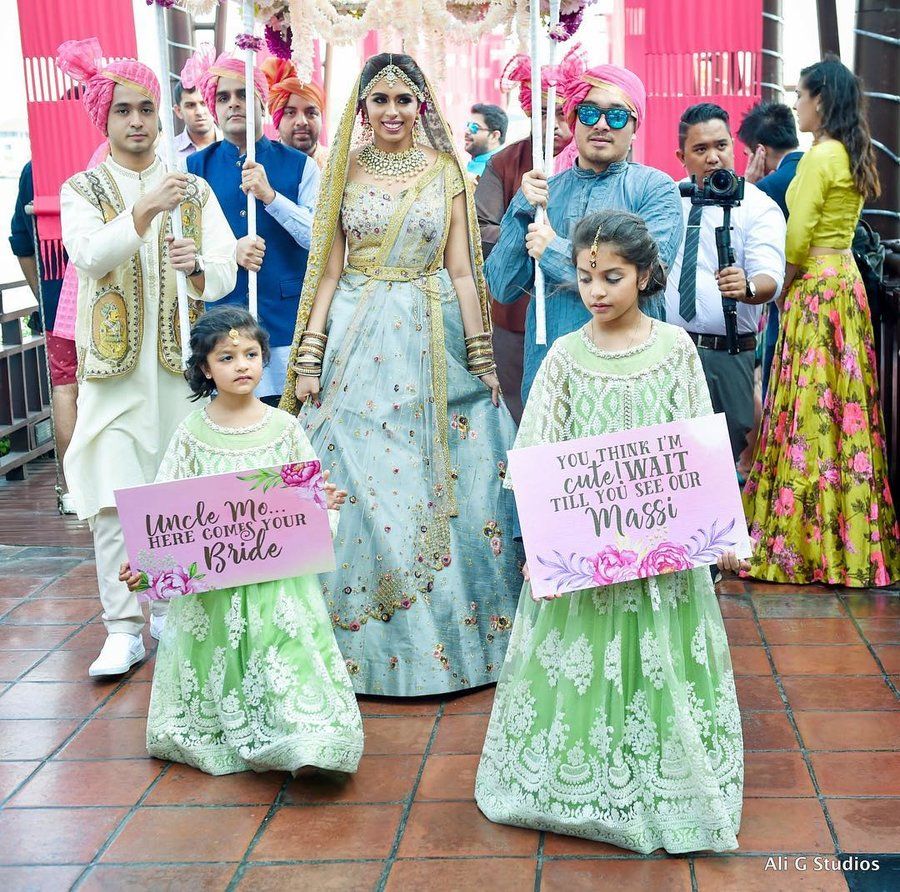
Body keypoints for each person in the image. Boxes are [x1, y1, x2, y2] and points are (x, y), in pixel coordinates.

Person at [474, 210, 743, 854]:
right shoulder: (565, 356)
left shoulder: (676, 349)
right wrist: (542, 548)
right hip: (587, 551)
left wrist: (719, 528)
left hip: (662, 548)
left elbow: (695, 445)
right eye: (588, 276)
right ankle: (584, 775)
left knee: (657, 655)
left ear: (646, 275)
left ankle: (663, 774)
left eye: (612, 277)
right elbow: (537, 455)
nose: (596, 290)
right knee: (587, 657)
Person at [280, 53, 521, 696]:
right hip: (357, 334)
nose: (392, 111)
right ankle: (332, 647)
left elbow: (465, 271)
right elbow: (327, 274)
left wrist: (480, 355)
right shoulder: (345, 170)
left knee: (445, 475)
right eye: (379, 99)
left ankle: (456, 643)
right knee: (352, 478)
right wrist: (309, 358)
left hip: (430, 330)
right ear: (363, 108)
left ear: (423, 107)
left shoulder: (446, 173)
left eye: (404, 99)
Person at [56, 37, 237, 677]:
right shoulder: (82, 188)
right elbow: (88, 255)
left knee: (174, 494)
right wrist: (141, 212)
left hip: (174, 374)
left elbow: (222, 270)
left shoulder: (191, 190)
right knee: (111, 500)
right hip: (112, 376)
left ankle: (169, 612)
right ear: (103, 120)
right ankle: (122, 627)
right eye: (124, 111)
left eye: (146, 110)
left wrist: (199, 271)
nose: (137, 122)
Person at [119, 307, 364, 776]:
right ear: (205, 368)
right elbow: (166, 507)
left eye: (251, 354)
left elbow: (309, 498)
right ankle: (225, 730)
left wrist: (322, 501)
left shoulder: (285, 427)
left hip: (278, 583)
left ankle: (303, 738)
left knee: (283, 653)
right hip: (214, 586)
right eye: (227, 357)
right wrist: (145, 562)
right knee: (224, 658)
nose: (242, 365)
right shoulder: (192, 434)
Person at [742, 57, 900, 587]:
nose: (796, 106)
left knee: (808, 408)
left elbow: (796, 236)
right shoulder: (852, 153)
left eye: (802, 96)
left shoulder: (818, 157)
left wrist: (779, 289)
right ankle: (848, 539)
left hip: (815, 287)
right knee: (845, 405)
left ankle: (801, 540)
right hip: (846, 283)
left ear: (822, 102)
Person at [486, 64, 683, 405]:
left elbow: (647, 278)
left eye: (618, 116)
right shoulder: (546, 195)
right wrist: (521, 205)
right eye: (589, 112)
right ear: (574, 120)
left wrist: (553, 251)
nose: (602, 124)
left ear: (635, 127)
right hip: (552, 379)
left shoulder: (655, 189)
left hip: (629, 379)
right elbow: (502, 286)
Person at [188, 52, 321, 407]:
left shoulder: (300, 166)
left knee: (287, 422)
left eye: (243, 94)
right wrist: (230, 254)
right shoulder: (193, 168)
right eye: (223, 97)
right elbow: (183, 249)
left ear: (262, 101)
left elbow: (318, 239)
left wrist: (271, 196)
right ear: (213, 107)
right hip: (221, 323)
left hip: (285, 325)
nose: (233, 104)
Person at [665, 103, 785, 466]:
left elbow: (771, 277)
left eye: (720, 146)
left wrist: (748, 287)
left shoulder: (758, 207)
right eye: (700, 150)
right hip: (667, 353)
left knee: (718, 463)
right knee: (669, 462)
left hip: (726, 354)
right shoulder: (667, 199)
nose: (713, 158)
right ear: (682, 156)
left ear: (733, 147)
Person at [475, 47, 584, 424]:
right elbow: (480, 227)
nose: (553, 122)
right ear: (526, 111)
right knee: (521, 414)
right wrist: (527, 240)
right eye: (541, 111)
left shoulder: (596, 162)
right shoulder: (505, 162)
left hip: (582, 309)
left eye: (561, 110)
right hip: (515, 314)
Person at [9, 161, 78, 511]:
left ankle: (71, 491)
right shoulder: (120, 156)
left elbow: (21, 243)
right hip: (119, 296)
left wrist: (44, 296)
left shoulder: (38, 165)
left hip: (56, 293)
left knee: (65, 386)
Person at [738, 101, 804, 398]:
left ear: (760, 150)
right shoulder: (816, 171)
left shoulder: (766, 189)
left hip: (785, 298)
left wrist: (747, 189)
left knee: (780, 388)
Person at [262, 58, 329, 170]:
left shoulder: (337, 166)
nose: (302, 121)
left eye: (311, 113)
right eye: (290, 112)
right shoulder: (261, 167)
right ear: (277, 120)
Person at [173, 45, 219, 161]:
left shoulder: (237, 147)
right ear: (178, 111)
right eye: (190, 105)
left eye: (204, 103)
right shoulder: (167, 152)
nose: (199, 112)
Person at [465, 103, 508, 179]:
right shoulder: (478, 162)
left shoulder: (499, 173)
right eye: (468, 125)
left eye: (474, 127)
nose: (467, 131)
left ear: (494, 136)